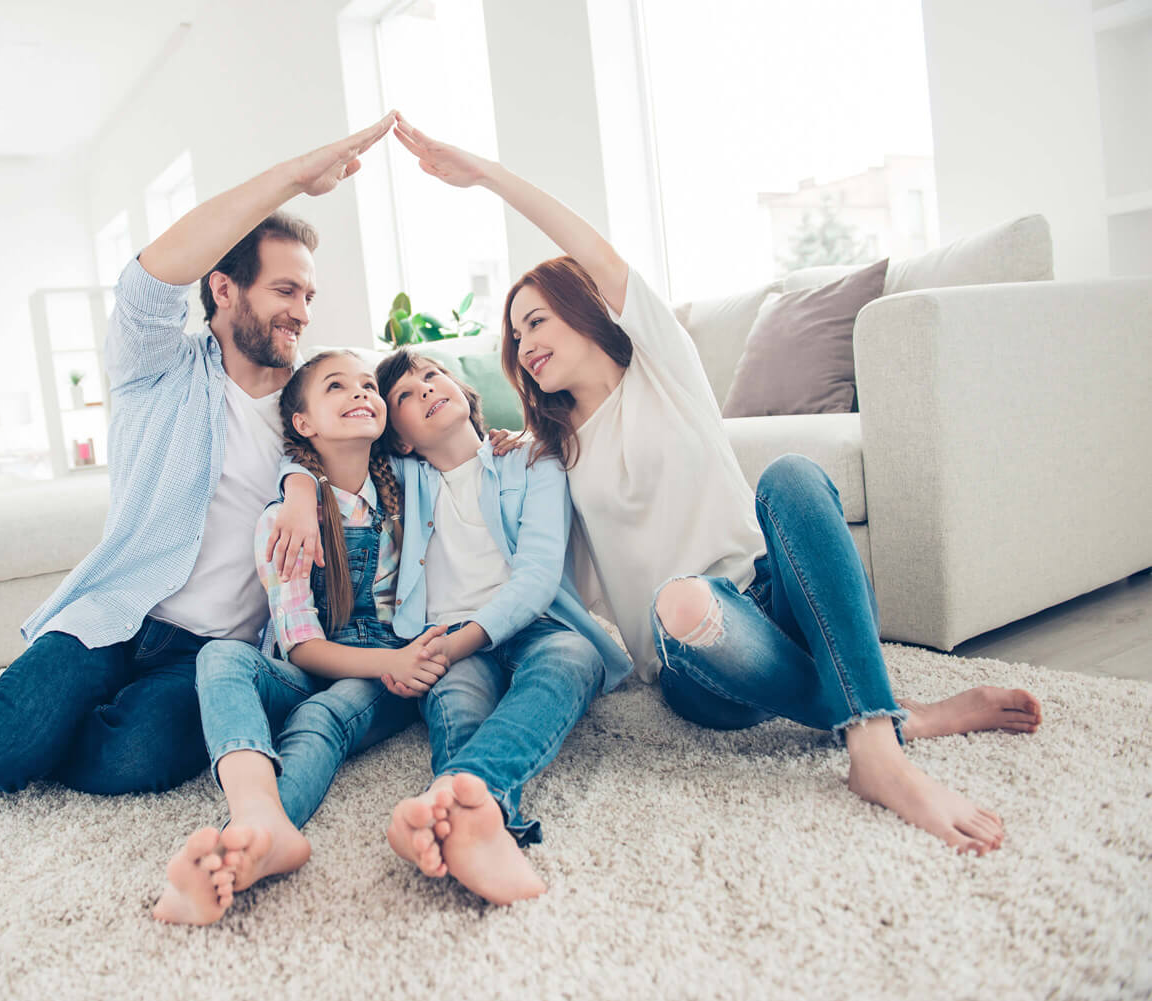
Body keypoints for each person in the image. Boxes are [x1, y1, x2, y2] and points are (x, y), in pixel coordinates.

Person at [390, 113, 1043, 856]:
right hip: (695, 662)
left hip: (776, 600)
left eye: (536, 321)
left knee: (794, 476)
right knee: (684, 599)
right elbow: (498, 534)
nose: (525, 346)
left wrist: (485, 175)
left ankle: (876, 748)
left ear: (584, 311)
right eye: (515, 338)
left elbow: (594, 251)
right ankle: (899, 714)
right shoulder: (549, 454)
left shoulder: (663, 368)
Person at [0, 112, 400, 834]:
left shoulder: (315, 403)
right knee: (16, 735)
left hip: (215, 649)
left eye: (308, 297)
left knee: (135, 757)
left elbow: (400, 438)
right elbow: (144, 282)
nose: (301, 312)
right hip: (118, 611)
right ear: (224, 289)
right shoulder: (156, 367)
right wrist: (293, 178)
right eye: (285, 291)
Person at [274, 348, 631, 905]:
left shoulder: (533, 459)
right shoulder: (399, 478)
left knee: (573, 658)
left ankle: (459, 797)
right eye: (406, 397)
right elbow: (319, 454)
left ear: (464, 392)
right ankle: (472, 824)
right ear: (402, 439)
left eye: (433, 377)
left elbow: (537, 577)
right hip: (443, 635)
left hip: (528, 624)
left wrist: (453, 645)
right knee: (458, 707)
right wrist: (297, 488)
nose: (427, 390)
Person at [152, 349, 449, 925]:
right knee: (220, 658)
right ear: (304, 424)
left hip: (386, 670)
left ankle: (243, 846)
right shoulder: (284, 520)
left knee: (321, 720)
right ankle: (254, 809)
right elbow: (303, 648)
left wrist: (505, 440)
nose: (362, 393)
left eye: (368, 385)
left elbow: (462, 453)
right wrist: (299, 489)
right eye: (337, 386)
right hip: (315, 663)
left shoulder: (411, 488)